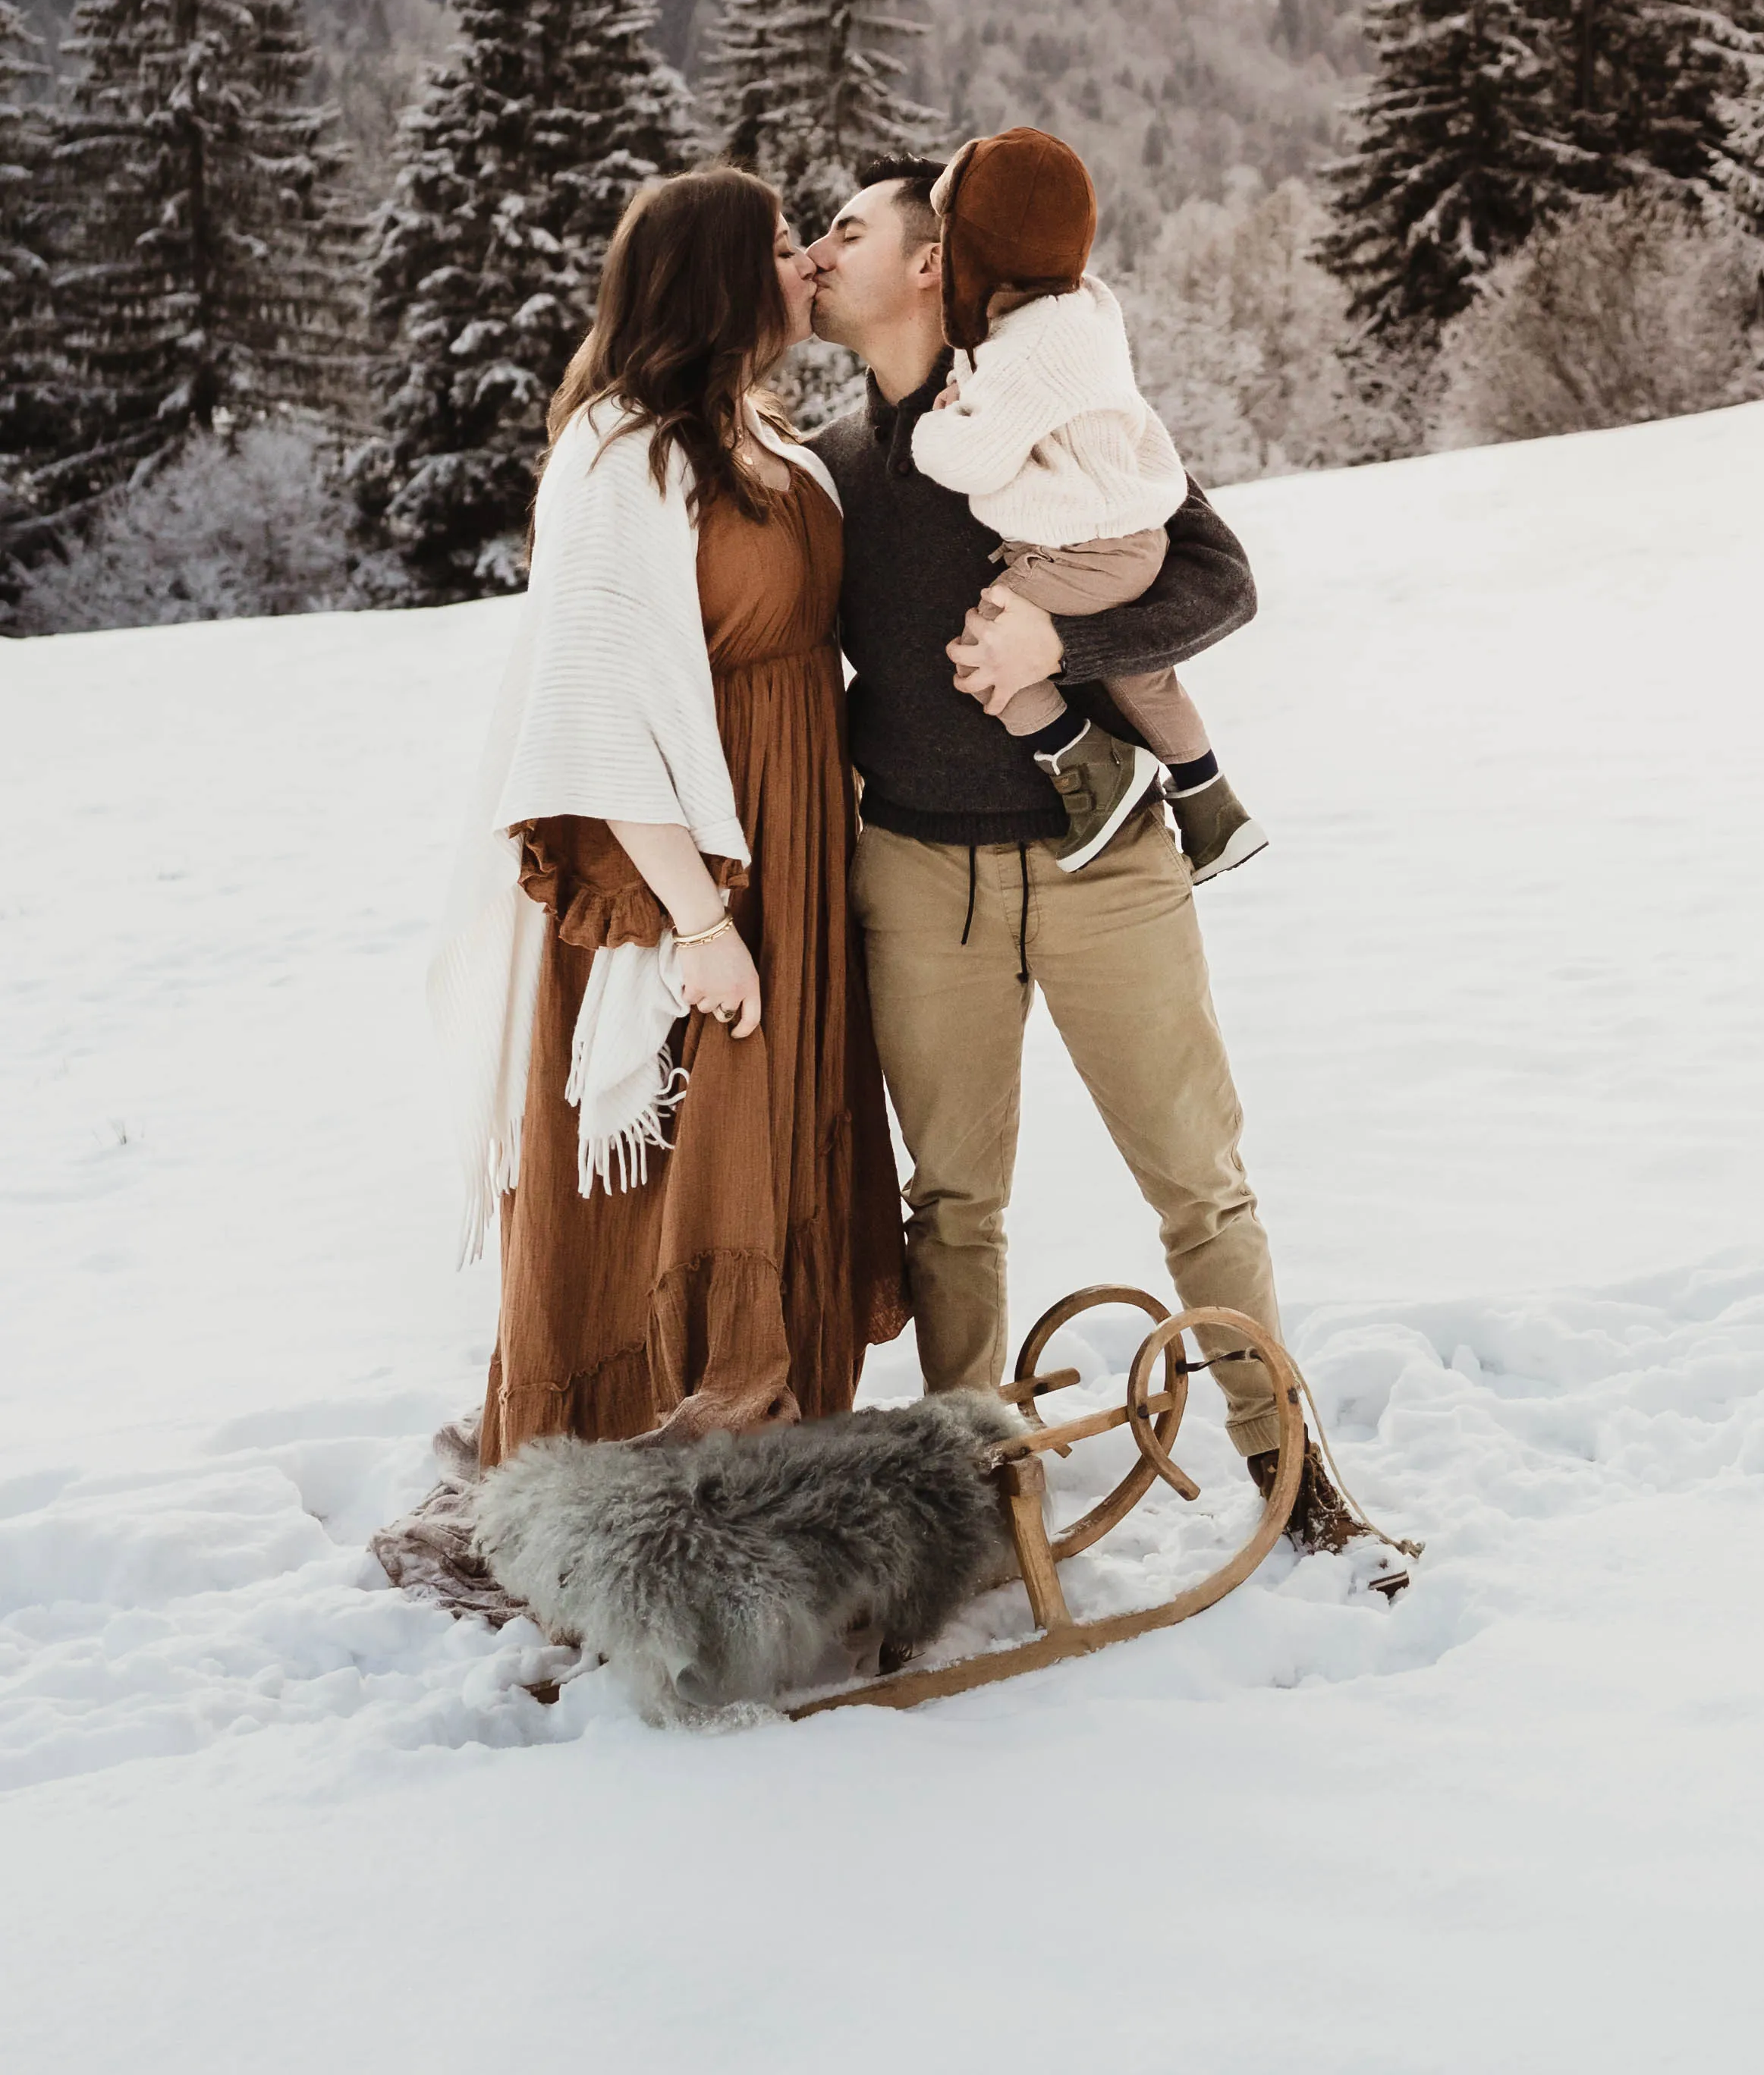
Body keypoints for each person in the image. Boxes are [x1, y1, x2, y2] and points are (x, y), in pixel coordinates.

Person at [806, 156, 1357, 1549]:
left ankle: (1293, 1479)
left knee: (1197, 1178)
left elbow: (1215, 577)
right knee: (951, 1208)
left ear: (929, 264)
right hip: (917, 872)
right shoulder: (833, 471)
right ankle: (972, 1506)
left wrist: (1068, 641)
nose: (817, 250)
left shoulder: (1043, 416)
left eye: (845, 229)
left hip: (1103, 860)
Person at [430, 168, 907, 1467]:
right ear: (714, 277)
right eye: (778, 245)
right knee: (692, 1157)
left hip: (797, 833)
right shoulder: (620, 451)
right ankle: (641, 1468)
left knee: (782, 1133)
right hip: (695, 863)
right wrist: (698, 919)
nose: (808, 259)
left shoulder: (759, 434)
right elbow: (590, 713)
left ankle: (783, 1454)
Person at [911, 126, 1266, 882]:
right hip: (1132, 538)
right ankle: (1213, 806)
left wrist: (935, 423)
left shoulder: (1028, 348)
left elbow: (970, 454)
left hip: (1081, 551)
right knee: (1146, 674)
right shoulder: (1084, 308)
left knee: (985, 649)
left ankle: (1093, 768)